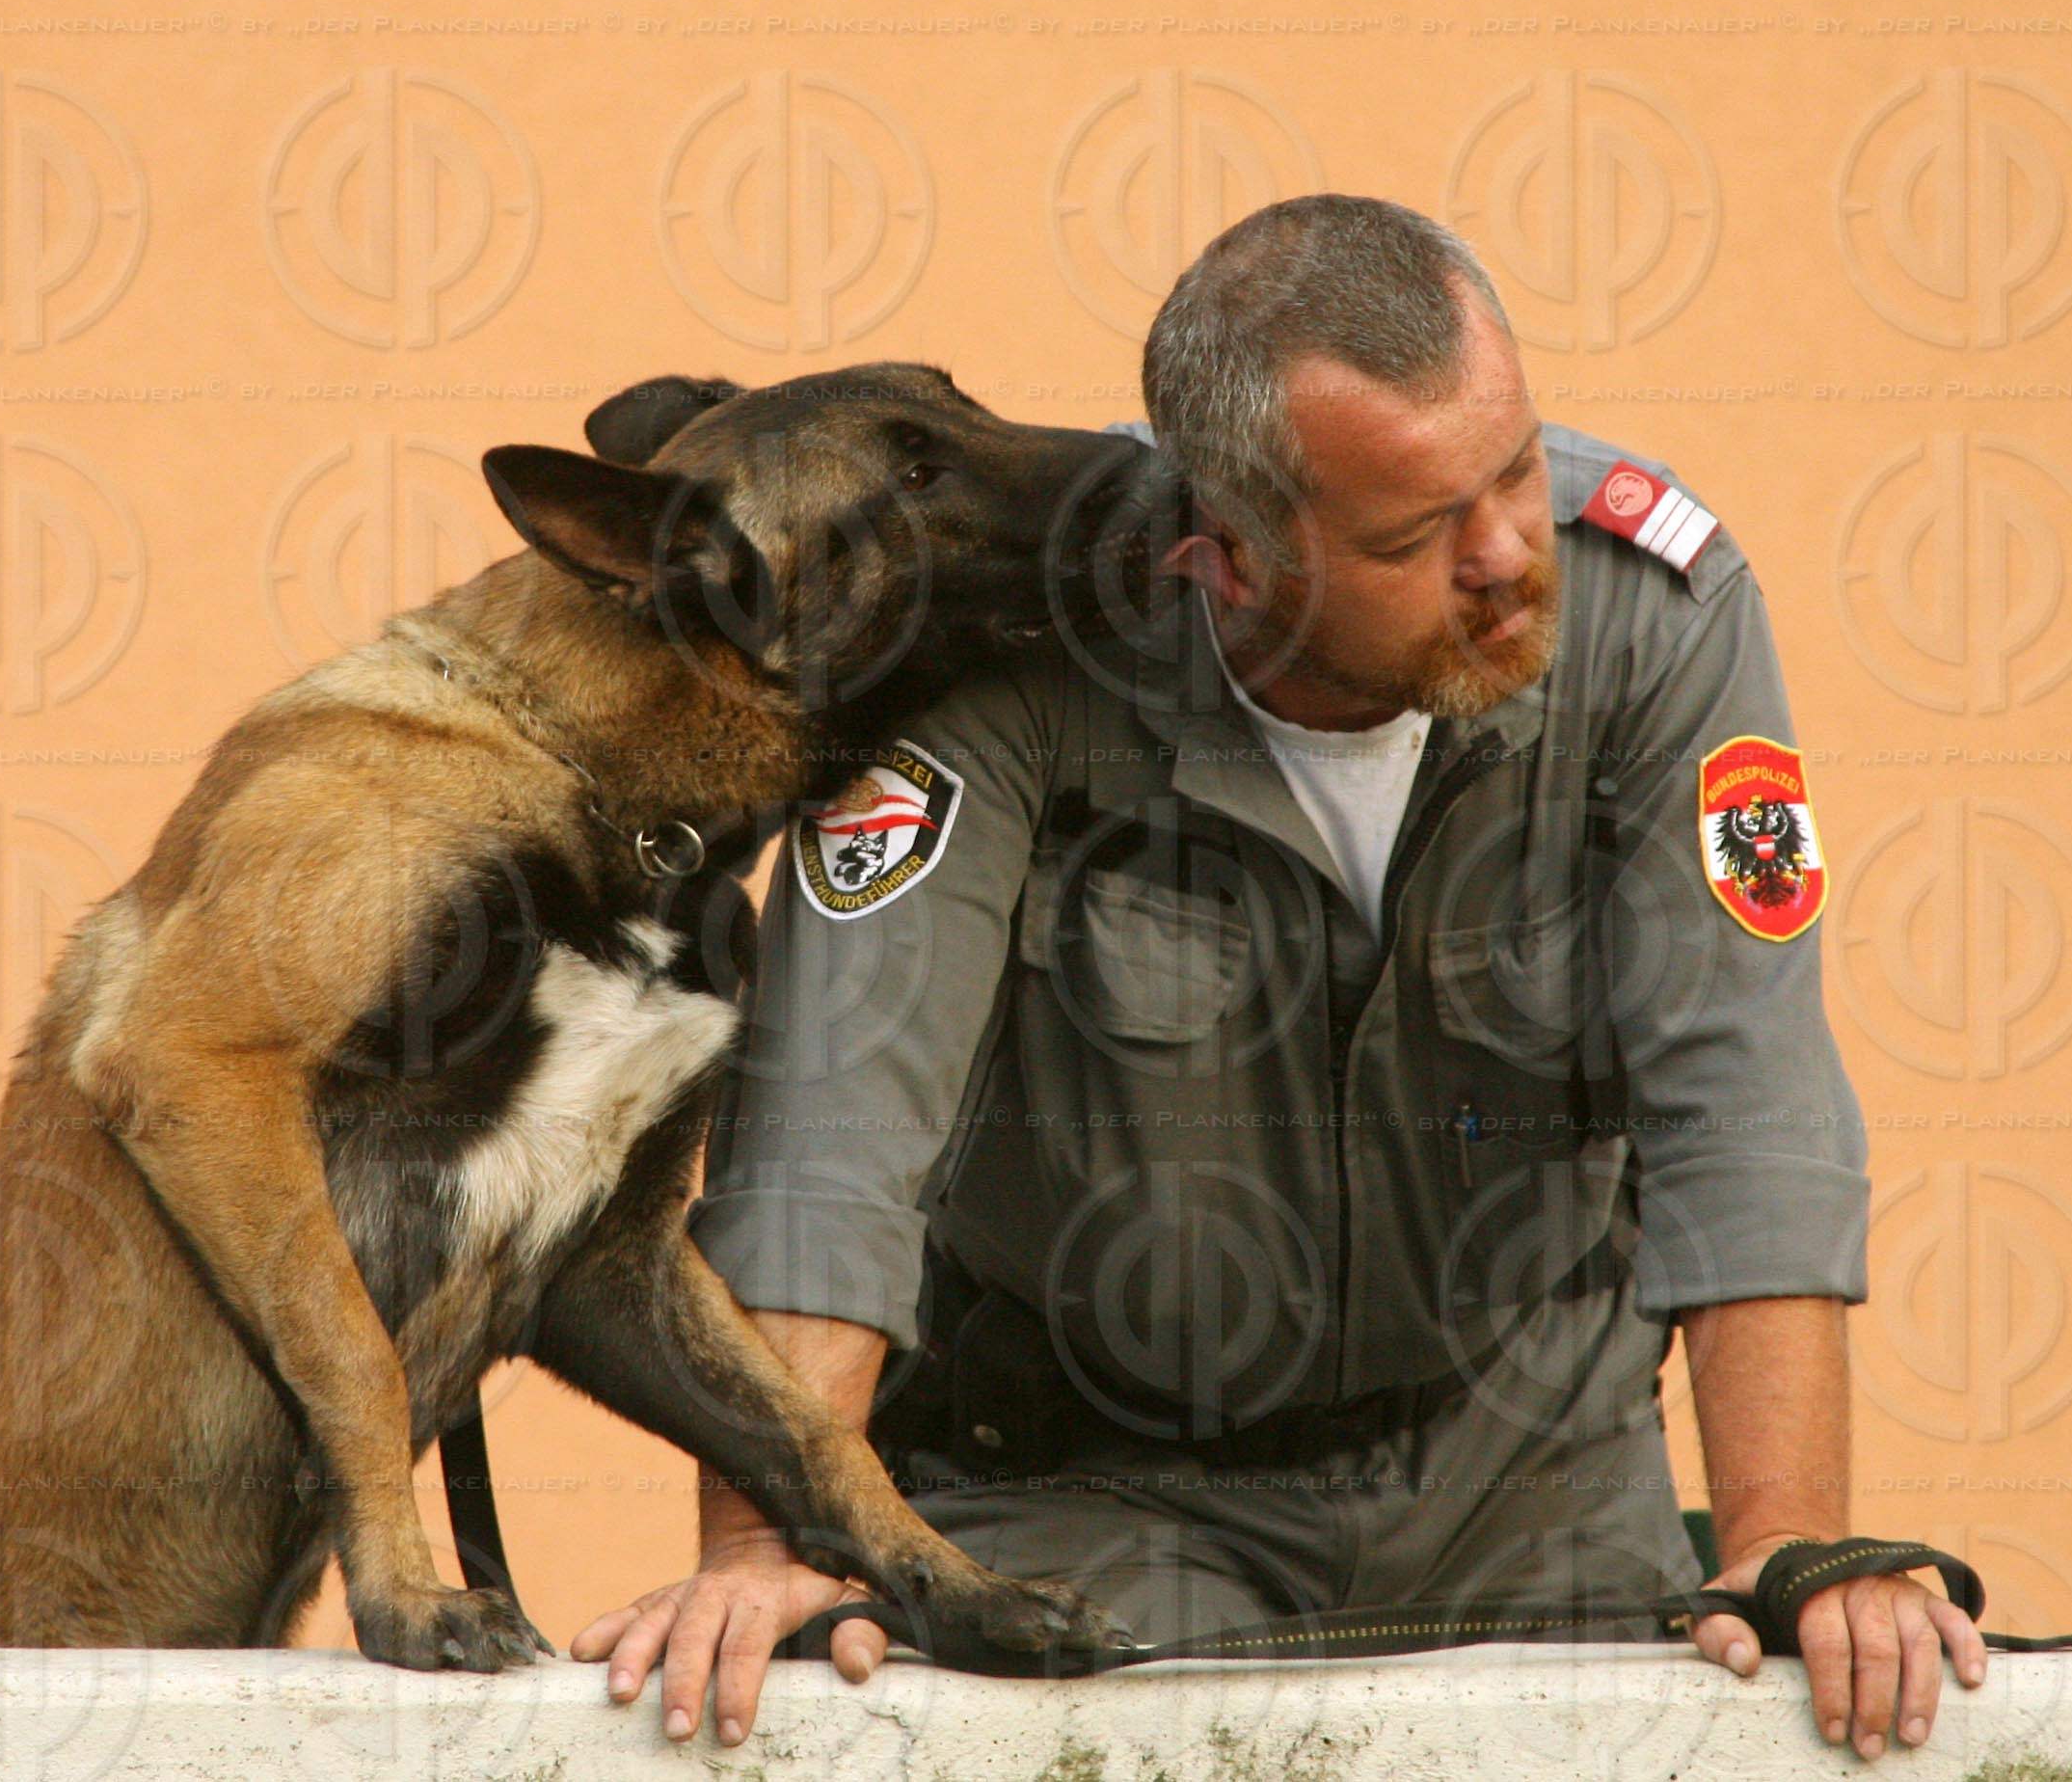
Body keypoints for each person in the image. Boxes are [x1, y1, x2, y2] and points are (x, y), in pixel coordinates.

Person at [576, 195, 1988, 1757]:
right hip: (1090, 1506)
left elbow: (1744, 1101)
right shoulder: (994, 645)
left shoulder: (1655, 608)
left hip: (1533, 1492)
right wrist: (769, 1547)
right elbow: (834, 1134)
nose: (1505, 553)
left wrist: (1788, 1548)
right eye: (1407, 535)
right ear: (1224, 560)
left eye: (1511, 465)